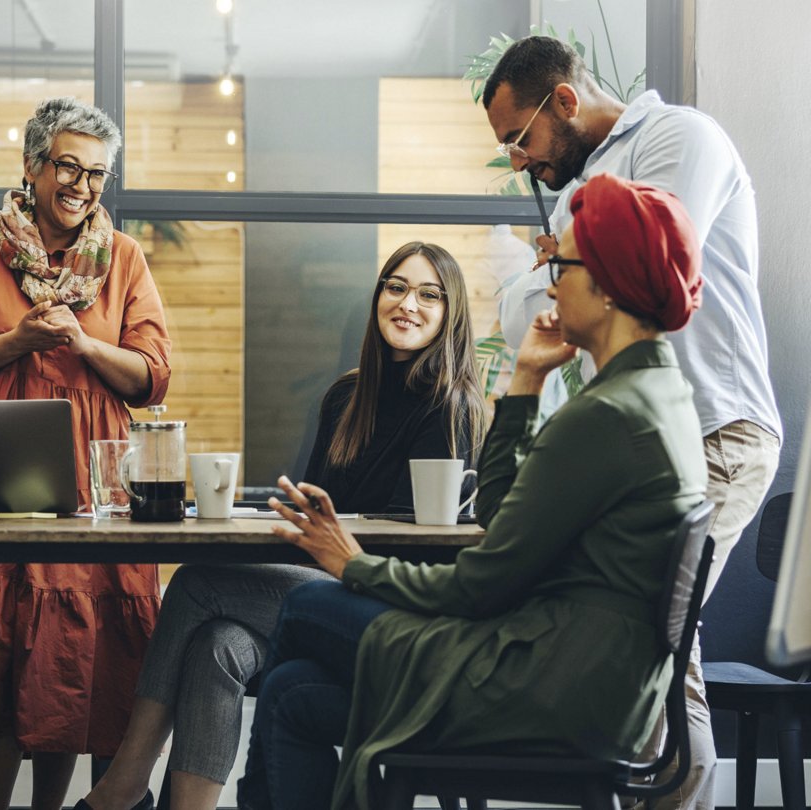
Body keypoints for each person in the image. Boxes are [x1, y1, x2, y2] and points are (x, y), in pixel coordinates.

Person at [237, 174, 707, 810]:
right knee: (293, 691)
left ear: (605, 285)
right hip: (593, 686)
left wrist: (355, 564)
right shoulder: (656, 396)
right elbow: (497, 512)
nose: (547, 279)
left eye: (559, 263)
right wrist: (526, 381)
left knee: (306, 609)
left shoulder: (609, 416)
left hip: (543, 684)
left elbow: (480, 583)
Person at [77, 242, 486, 810]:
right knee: (217, 646)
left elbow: (409, 541)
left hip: (388, 601)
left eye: (428, 294)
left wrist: (321, 539)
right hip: (324, 588)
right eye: (395, 287)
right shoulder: (347, 395)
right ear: (377, 298)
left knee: (196, 583)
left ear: (450, 313)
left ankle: (121, 784)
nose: (407, 304)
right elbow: (316, 514)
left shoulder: (451, 403)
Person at [481, 36, 780, 808]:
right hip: (639, 448)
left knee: (651, 631)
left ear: (566, 102)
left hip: (716, 431)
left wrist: (553, 263)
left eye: (520, 138)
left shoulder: (680, 138)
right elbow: (529, 326)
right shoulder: (585, 187)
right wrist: (561, 266)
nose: (517, 162)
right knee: (650, 639)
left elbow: (649, 267)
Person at [0, 96, 172, 810]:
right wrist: (18, 341)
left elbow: (153, 375)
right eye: (69, 167)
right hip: (1, 459)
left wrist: (83, 344)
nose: (83, 186)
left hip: (95, 475)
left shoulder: (124, 257)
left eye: (98, 174)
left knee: (73, 657)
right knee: (1, 647)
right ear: (33, 166)